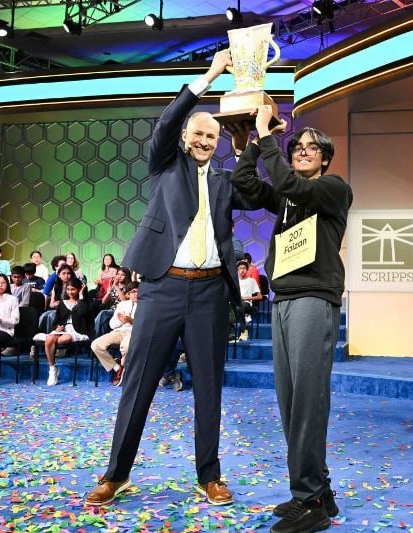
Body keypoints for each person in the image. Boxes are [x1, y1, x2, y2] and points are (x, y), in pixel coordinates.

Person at [85, 50, 257, 508]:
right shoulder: (165, 163)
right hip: (161, 288)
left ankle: (210, 476)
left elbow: (256, 191)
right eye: (198, 133)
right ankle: (115, 474)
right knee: (138, 383)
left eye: (211, 136)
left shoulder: (223, 181)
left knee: (209, 387)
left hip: (208, 293)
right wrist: (212, 74)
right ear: (185, 138)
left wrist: (249, 146)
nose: (204, 141)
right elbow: (164, 127)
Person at [229, 108, 352, 533]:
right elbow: (244, 184)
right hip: (284, 301)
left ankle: (311, 500)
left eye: (310, 148)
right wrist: (250, 144)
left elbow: (287, 183)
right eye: (296, 147)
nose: (301, 151)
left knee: (307, 402)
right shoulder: (286, 195)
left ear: (325, 159)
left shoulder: (333, 188)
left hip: (314, 299)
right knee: (289, 401)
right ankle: (319, 489)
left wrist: (267, 137)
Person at [35, 277, 90, 386]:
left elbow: (83, 313)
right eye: (68, 289)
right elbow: (56, 321)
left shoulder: (84, 302)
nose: (70, 292)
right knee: (50, 338)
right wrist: (57, 327)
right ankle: (52, 369)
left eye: (73, 289)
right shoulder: (62, 303)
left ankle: (52, 347)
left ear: (79, 289)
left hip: (77, 331)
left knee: (63, 339)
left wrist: (82, 296)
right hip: (63, 330)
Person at [91, 281, 138, 386]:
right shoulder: (122, 304)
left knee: (126, 347)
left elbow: (145, 326)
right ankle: (117, 368)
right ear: (128, 294)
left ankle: (122, 365)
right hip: (118, 331)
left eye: (138, 291)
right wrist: (121, 321)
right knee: (96, 345)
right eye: (133, 292)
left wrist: (131, 321)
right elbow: (112, 324)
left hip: (133, 332)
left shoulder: (145, 306)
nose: (136, 294)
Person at [236, 260, 261, 341]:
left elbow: (259, 297)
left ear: (247, 270)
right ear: (237, 270)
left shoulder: (251, 281)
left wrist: (246, 298)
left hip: (246, 303)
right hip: (237, 302)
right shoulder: (236, 281)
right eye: (240, 268)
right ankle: (231, 333)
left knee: (241, 306)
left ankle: (244, 331)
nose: (242, 270)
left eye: (244, 268)